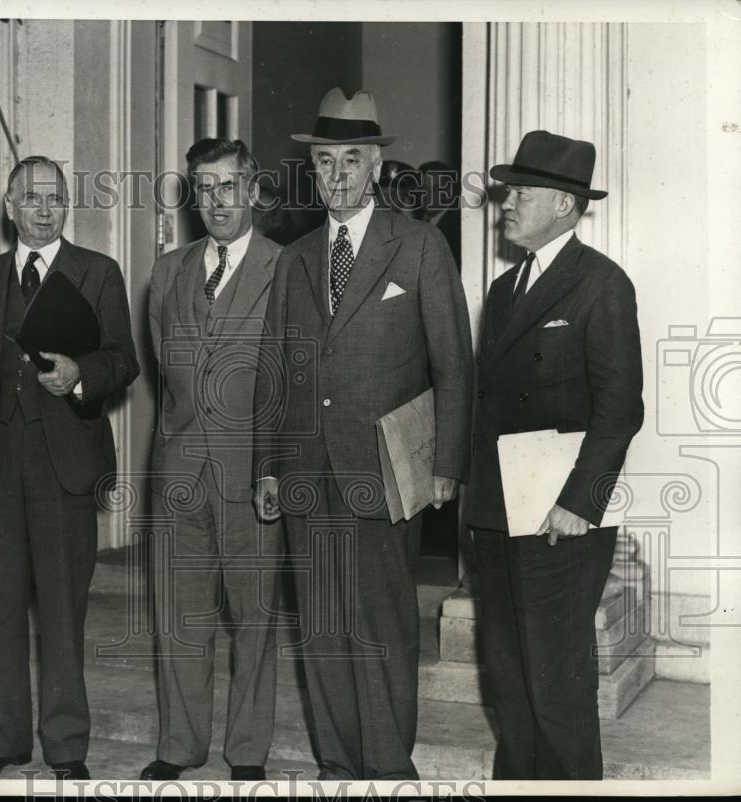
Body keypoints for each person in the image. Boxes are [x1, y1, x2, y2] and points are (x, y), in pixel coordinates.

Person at [252, 88, 473, 780]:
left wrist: (447, 464)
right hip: (303, 471)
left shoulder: (419, 246)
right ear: (312, 170)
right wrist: (266, 466)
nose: (339, 173)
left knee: (379, 625)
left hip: (381, 468)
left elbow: (454, 364)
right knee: (320, 628)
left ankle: (387, 768)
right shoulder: (295, 260)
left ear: (376, 166)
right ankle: (339, 765)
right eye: (326, 160)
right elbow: (275, 372)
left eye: (353, 158)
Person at [0, 155, 139, 779]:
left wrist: (83, 375)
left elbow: (123, 360)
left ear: (67, 205)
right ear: (8, 205)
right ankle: (3, 741)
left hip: (65, 465)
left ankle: (66, 746)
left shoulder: (98, 272)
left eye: (54, 198)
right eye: (31, 198)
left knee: (61, 610)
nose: (43, 208)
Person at [466, 130, 644, 780]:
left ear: (565, 206)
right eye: (507, 190)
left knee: (556, 687)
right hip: (498, 511)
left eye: (521, 192)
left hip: (560, 518)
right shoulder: (504, 289)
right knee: (509, 681)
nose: (505, 202)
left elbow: (621, 407)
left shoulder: (601, 285)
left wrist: (580, 502)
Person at [141, 138, 284, 783]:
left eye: (229, 187)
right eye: (204, 188)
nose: (217, 202)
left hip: (252, 476)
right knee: (179, 616)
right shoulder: (168, 272)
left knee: (254, 620)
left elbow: (292, 380)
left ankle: (247, 751)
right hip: (178, 473)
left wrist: (274, 467)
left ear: (251, 191)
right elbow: (164, 368)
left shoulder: (288, 268)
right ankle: (180, 746)